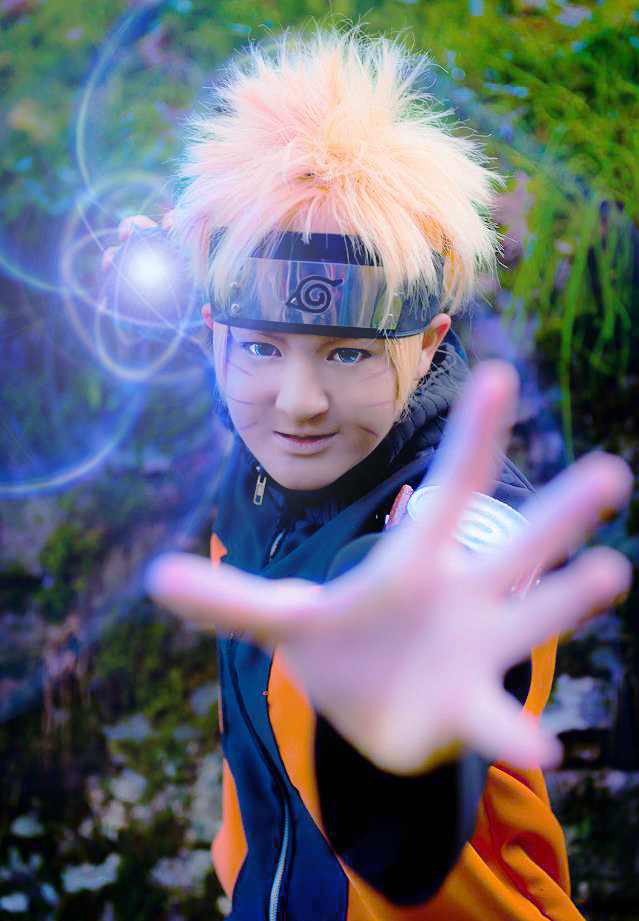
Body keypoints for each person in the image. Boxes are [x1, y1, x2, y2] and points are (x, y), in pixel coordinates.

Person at [143, 28, 631, 921]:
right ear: (211, 335)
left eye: (347, 352)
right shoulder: (256, 479)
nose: (298, 403)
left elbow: (463, 561)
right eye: (261, 347)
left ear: (429, 342)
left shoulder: (455, 508)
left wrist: (397, 706)